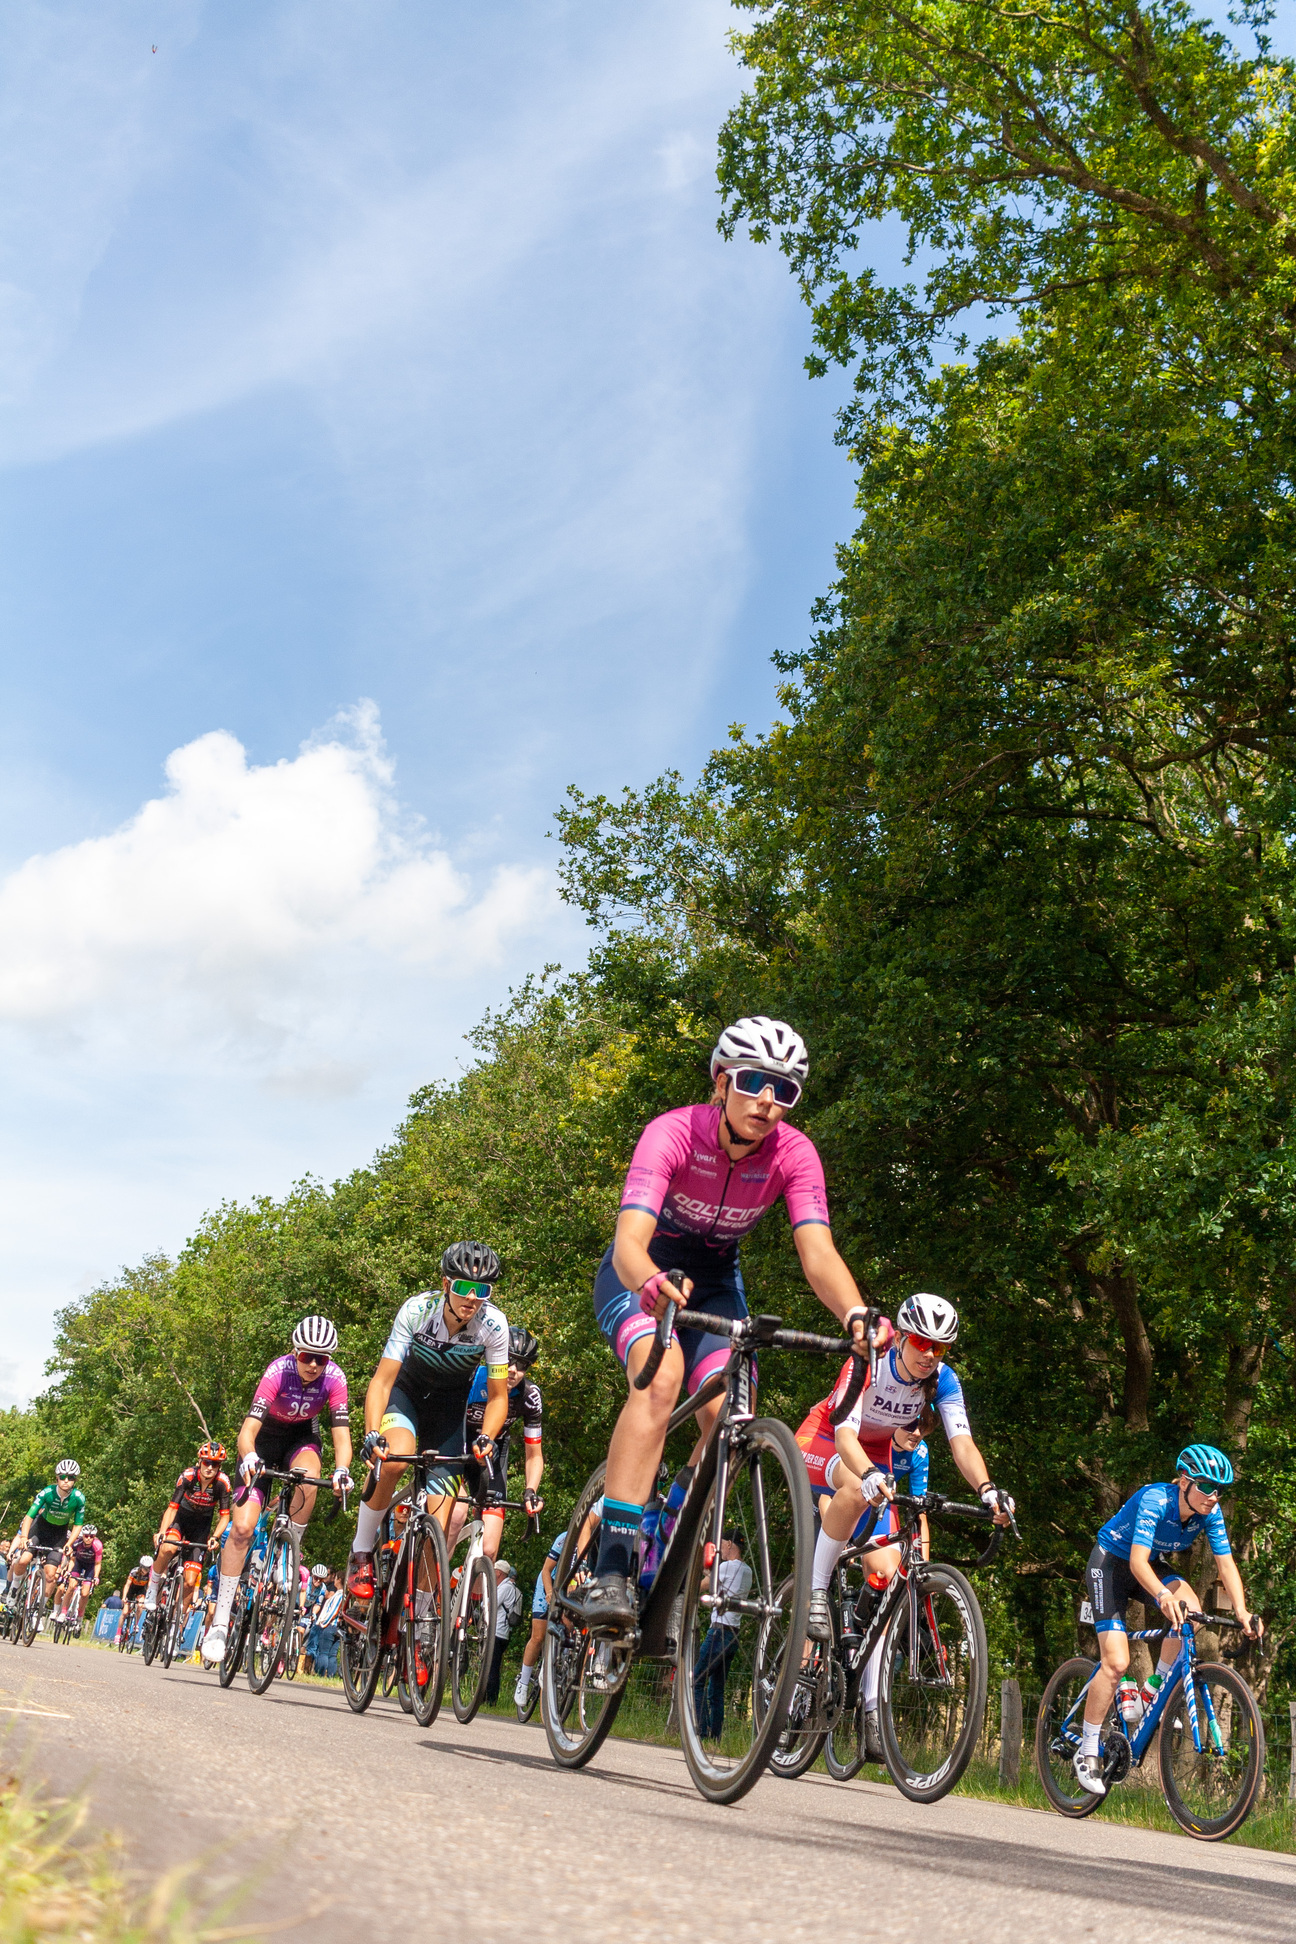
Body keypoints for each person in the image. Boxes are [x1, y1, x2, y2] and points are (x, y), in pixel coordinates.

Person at [585, 1016, 877, 1628]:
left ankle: (668, 1533)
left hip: (716, 1284)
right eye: (752, 1082)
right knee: (662, 1377)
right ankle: (611, 1564)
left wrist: (854, 1312)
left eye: (785, 1091)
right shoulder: (670, 1133)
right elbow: (628, 1243)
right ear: (721, 1083)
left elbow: (817, 1252)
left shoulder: (794, 1154)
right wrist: (651, 1283)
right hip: (643, 1272)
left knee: (730, 1419)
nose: (768, 1102)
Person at [795, 1293, 1013, 1757]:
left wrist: (988, 1489)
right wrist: (871, 1474)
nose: (930, 1354)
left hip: (876, 1458)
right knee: (855, 1489)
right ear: (902, 1339)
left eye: (941, 1347)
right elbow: (845, 1434)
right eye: (921, 1342)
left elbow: (963, 1444)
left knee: (889, 1576)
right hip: (824, 1441)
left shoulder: (943, 1382)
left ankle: (871, 1710)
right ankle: (816, 1590)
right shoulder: (870, 1361)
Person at [1073, 1444, 1263, 1796]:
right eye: (1207, 1486)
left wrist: (1242, 1612)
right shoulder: (1155, 1500)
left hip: (1147, 1565)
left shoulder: (1210, 1512)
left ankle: (1151, 1691)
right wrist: (1162, 1596)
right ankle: (1086, 1750)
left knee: (1190, 1612)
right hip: (1113, 1563)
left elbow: (1226, 1565)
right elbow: (1137, 1563)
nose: (1213, 1496)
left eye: (1220, 1489)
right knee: (1116, 1662)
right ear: (1184, 1481)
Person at [346, 1242, 510, 1599]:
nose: (472, 1298)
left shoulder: (494, 1326)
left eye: (482, 1291)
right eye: (464, 1287)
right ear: (446, 1283)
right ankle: (361, 1552)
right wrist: (372, 1432)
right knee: (393, 1458)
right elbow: (382, 1380)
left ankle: (421, 1620)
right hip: (406, 1396)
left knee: (442, 1520)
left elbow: (499, 1397)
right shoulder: (418, 1310)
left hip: (448, 1411)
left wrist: (487, 1437)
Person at [200, 1316, 353, 1666]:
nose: (314, 1364)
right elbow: (246, 1433)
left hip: (300, 1440)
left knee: (310, 1474)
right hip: (264, 1442)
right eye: (307, 1356)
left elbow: (341, 1436)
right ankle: (221, 1623)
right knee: (241, 1530)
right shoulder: (277, 1372)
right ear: (294, 1351)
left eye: (322, 1358)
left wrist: (342, 1470)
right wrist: (251, 1456)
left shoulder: (335, 1378)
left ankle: (288, 1546)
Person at [450, 1325, 545, 1564]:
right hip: (457, 1445)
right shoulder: (473, 1380)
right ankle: (430, 1589)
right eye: (508, 1360)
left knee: (489, 1552)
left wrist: (531, 1490)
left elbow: (534, 1454)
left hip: (491, 1456)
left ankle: (472, 1597)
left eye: (522, 1365)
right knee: (455, 1518)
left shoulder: (529, 1396)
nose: (513, 1370)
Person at [146, 1442, 233, 1623]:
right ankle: (153, 1586)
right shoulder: (187, 1476)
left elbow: (225, 1516)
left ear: (220, 1467)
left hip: (201, 1527)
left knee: (190, 1581)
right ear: (199, 1461)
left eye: (215, 1464)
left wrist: (215, 1537)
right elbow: (171, 1508)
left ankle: (177, 1620)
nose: (210, 1467)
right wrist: (162, 1531)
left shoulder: (222, 1484)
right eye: (207, 1462)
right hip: (181, 1520)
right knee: (168, 1548)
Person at [691, 1532, 752, 1738]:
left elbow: (701, 1587)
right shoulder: (746, 1571)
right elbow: (720, 1582)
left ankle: (701, 1731)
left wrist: (691, 1579)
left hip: (718, 1632)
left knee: (697, 1680)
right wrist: (709, 1572)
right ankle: (715, 1735)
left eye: (722, 1545)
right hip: (733, 1634)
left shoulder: (726, 1568)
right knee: (716, 1691)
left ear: (728, 1544)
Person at [10, 1461, 87, 1613]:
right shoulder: (47, 1492)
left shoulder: (79, 1498)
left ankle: (38, 1610)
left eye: (70, 1477)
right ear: (57, 1478)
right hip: (40, 1529)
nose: (66, 1480)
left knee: (51, 1575)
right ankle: (14, 1587)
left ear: (75, 1480)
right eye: (62, 1476)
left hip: (58, 1534)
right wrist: (24, 1537)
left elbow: (78, 1524)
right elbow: (30, 1516)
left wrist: (69, 1544)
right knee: (24, 1559)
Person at [486, 1560, 523, 1705]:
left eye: (494, 1570)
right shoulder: (512, 1588)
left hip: (497, 1632)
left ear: (499, 1572)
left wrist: (484, 1603)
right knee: (492, 1666)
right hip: (503, 1633)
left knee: (491, 1667)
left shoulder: (505, 1587)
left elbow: (490, 1604)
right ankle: (488, 1698)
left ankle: (490, 1700)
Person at [55, 1525, 103, 1632]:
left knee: (85, 1593)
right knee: (71, 1586)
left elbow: (98, 1563)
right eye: (86, 1536)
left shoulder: (98, 1546)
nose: (89, 1538)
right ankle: (63, 1612)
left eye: (92, 1536)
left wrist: (96, 1577)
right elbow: (72, 1560)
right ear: (83, 1536)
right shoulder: (77, 1543)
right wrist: (68, 1572)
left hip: (90, 1567)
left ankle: (80, 1617)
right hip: (78, 1564)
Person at [121, 1555, 153, 1643]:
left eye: (148, 1569)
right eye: (144, 1568)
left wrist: (148, 1598)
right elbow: (127, 1585)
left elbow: (149, 1586)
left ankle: (136, 1624)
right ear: (141, 1566)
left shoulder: (150, 1574)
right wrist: (124, 1597)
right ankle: (121, 1630)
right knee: (125, 1612)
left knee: (140, 1605)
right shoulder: (134, 1572)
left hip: (140, 1590)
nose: (145, 1571)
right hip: (131, 1589)